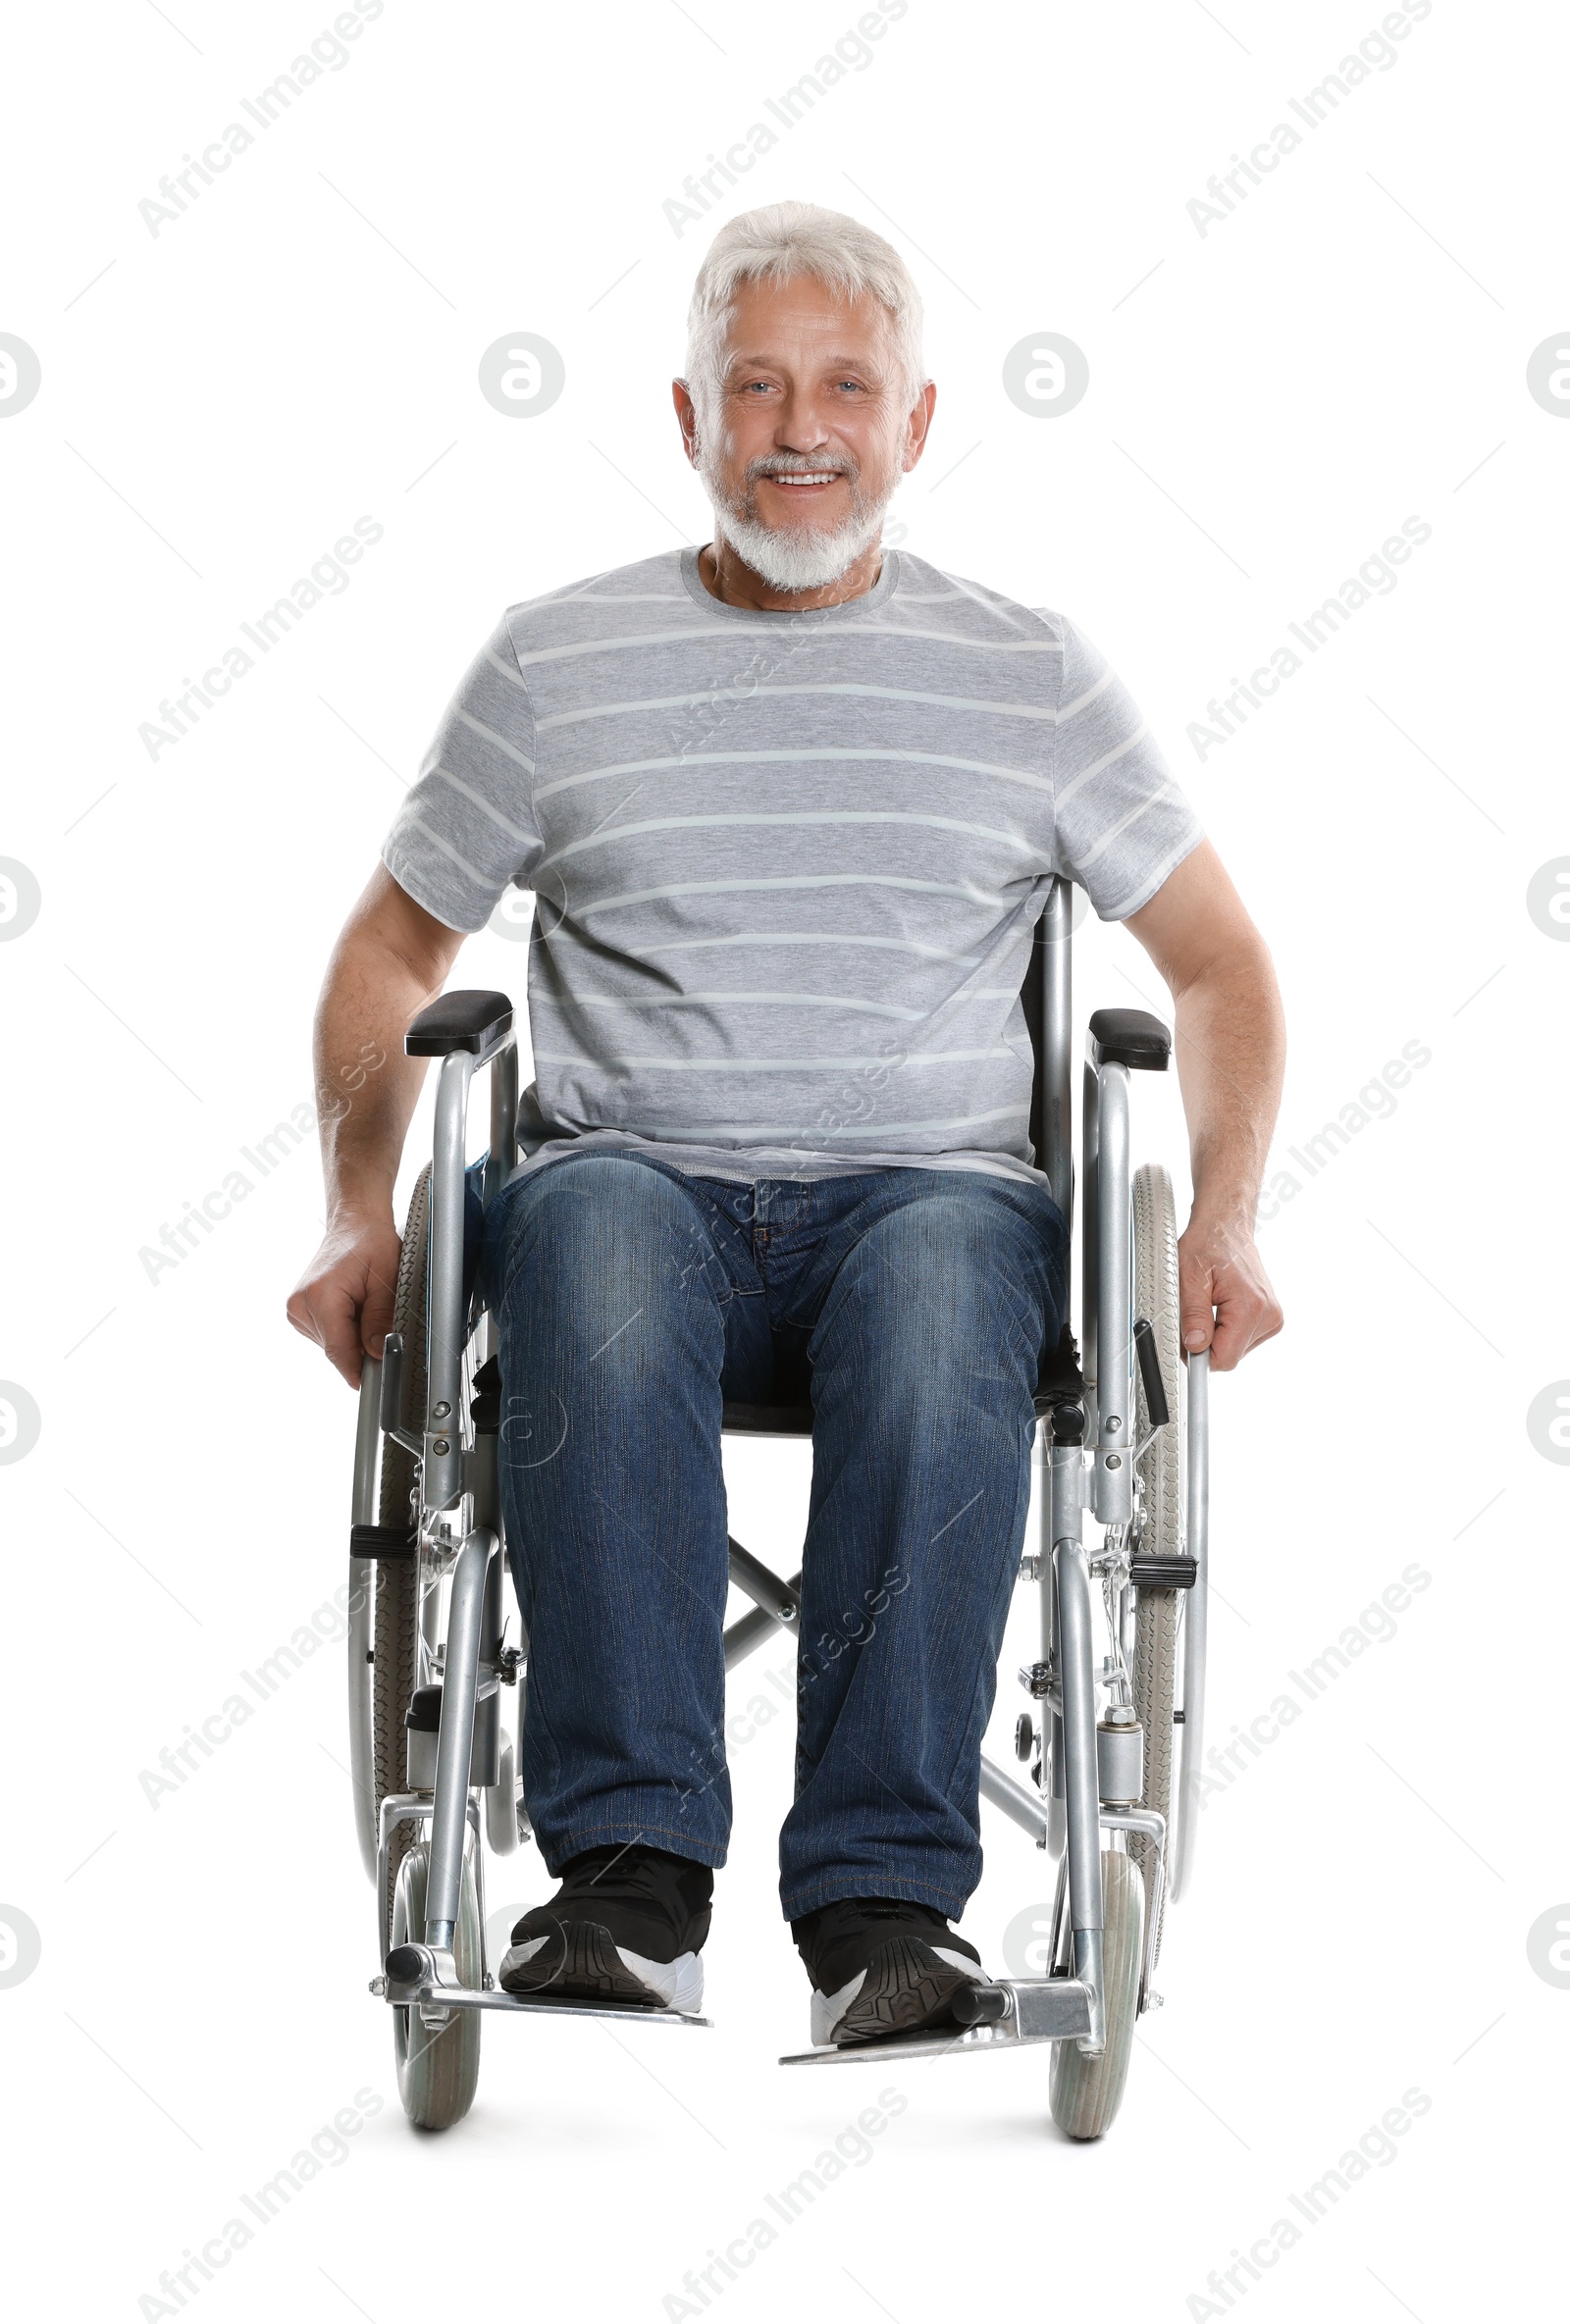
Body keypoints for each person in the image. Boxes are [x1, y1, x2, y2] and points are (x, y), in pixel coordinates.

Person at [288, 200, 1284, 2048]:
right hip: (631, 1196)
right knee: (580, 1225)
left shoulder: (1034, 671)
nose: (800, 428)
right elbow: (389, 945)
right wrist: (364, 1208)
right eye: (758, 388)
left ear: (918, 424)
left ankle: (887, 1905)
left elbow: (1219, 967)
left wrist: (1219, 1215)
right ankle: (630, 1881)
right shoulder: (550, 661)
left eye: (846, 387)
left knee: (939, 1281)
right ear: (689, 419)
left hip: (931, 1207)